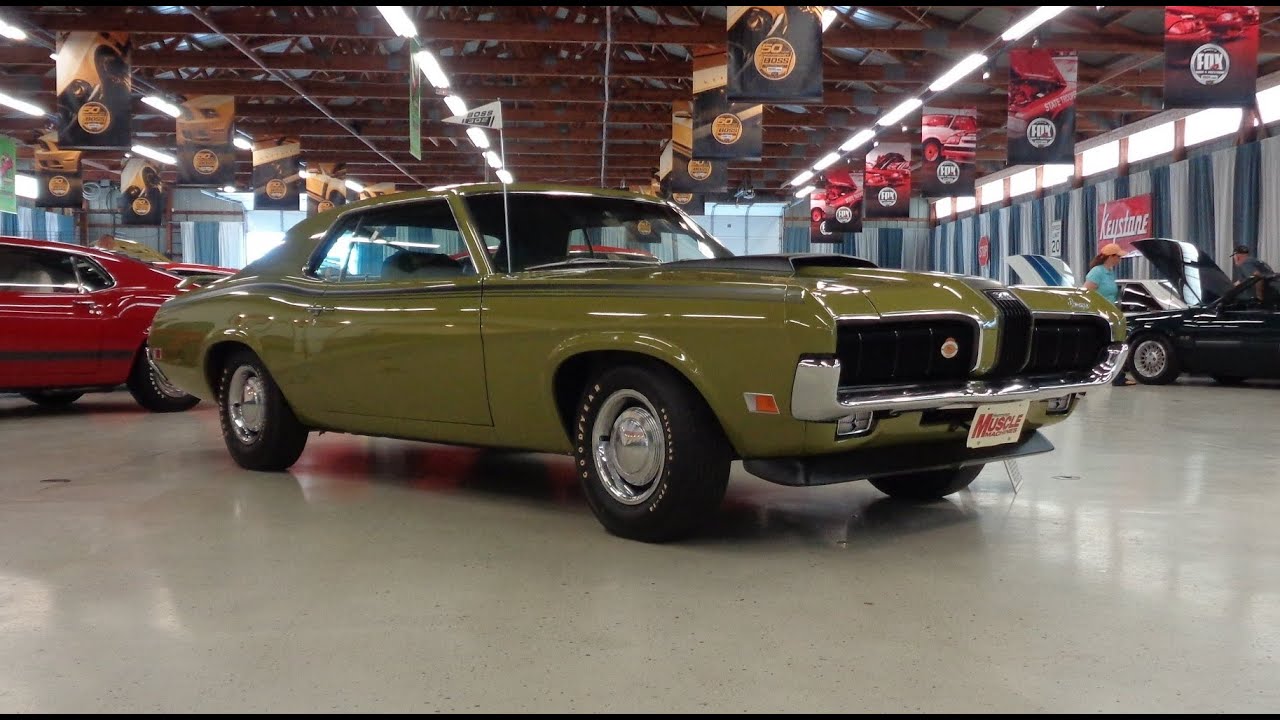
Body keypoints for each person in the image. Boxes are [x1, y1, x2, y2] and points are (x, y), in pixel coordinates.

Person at [1083, 242, 1135, 386]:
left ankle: (1117, 376)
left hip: (1110, 314)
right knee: (1105, 345)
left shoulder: (1110, 272)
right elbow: (1087, 293)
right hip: (1100, 315)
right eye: (1118, 256)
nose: (1119, 260)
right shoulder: (1097, 272)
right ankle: (1100, 375)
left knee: (1115, 345)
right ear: (1110, 257)